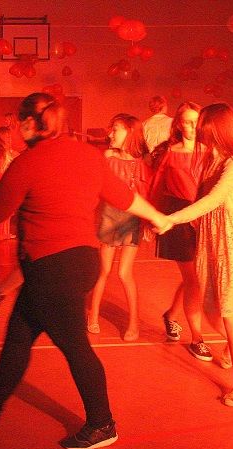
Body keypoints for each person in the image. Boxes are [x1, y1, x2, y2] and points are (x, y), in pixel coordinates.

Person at [0, 92, 172, 449]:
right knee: (18, 338)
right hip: (78, 263)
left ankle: (102, 423)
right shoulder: (86, 155)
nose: (18, 128)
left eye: (21, 122)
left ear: (31, 123)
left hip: (52, 269)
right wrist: (157, 216)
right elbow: (123, 196)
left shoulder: (28, 162)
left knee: (76, 347)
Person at [168, 103, 233, 407]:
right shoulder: (213, 159)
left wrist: (172, 219)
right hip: (214, 242)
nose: (199, 131)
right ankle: (231, 344)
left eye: (203, 126)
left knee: (228, 311)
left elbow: (213, 200)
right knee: (212, 308)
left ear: (218, 129)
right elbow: (203, 200)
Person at [147, 102, 212, 360]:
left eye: (196, 121)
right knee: (194, 279)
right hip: (178, 219)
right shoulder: (169, 153)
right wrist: (150, 220)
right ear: (179, 124)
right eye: (187, 121)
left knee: (195, 278)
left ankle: (171, 315)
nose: (192, 126)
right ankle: (197, 338)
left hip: (204, 215)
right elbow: (155, 187)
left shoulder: (210, 152)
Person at [88, 113, 149, 341]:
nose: (110, 134)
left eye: (116, 129)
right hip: (108, 217)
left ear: (130, 133)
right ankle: (93, 314)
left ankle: (134, 322)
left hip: (131, 220)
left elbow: (144, 196)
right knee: (103, 270)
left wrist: (148, 223)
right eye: (111, 129)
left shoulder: (141, 164)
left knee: (124, 273)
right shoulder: (107, 156)